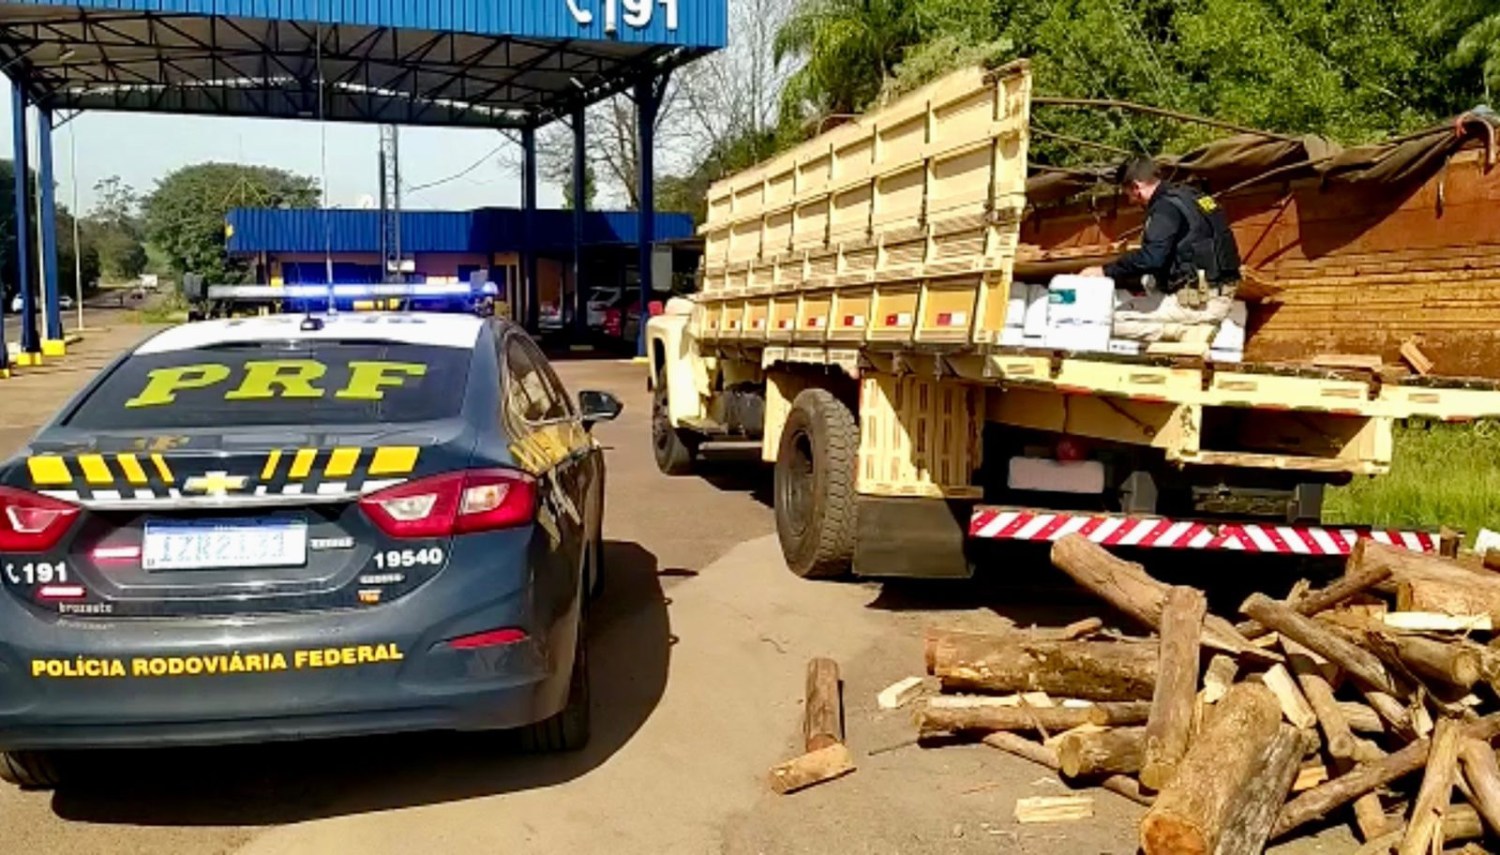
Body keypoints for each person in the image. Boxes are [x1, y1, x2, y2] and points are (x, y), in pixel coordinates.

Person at [1081, 157, 1243, 344]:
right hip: (1219, 292)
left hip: (1200, 303)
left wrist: (1104, 271)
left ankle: (1184, 332)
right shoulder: (1194, 196)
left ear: (1136, 187)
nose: (1131, 201)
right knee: (1148, 280)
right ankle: (1190, 324)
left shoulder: (1165, 208)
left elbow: (1152, 258)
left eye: (1129, 195)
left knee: (1107, 321)